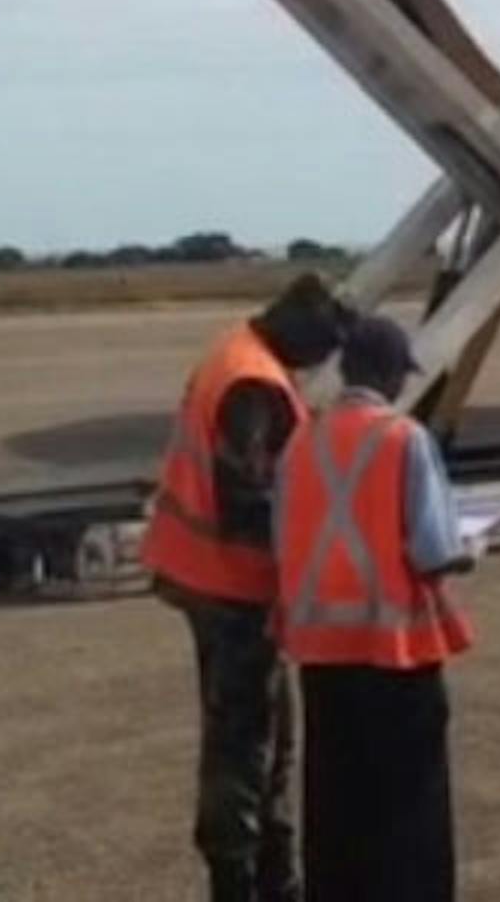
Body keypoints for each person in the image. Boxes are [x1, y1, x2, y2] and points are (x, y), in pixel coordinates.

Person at [139, 274, 351, 902]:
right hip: (229, 586)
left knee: (268, 732)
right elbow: (247, 501)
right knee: (243, 745)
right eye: (320, 354)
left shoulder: (239, 350)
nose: (319, 368)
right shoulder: (252, 383)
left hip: (206, 575)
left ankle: (271, 878)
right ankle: (238, 881)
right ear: (301, 340)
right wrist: (324, 536)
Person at [275, 313, 479, 902]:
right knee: (407, 813)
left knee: (336, 806)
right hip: (394, 656)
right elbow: (434, 552)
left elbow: (284, 536)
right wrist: (472, 548)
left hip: (321, 656)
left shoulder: (300, 440)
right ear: (391, 374)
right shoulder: (403, 438)